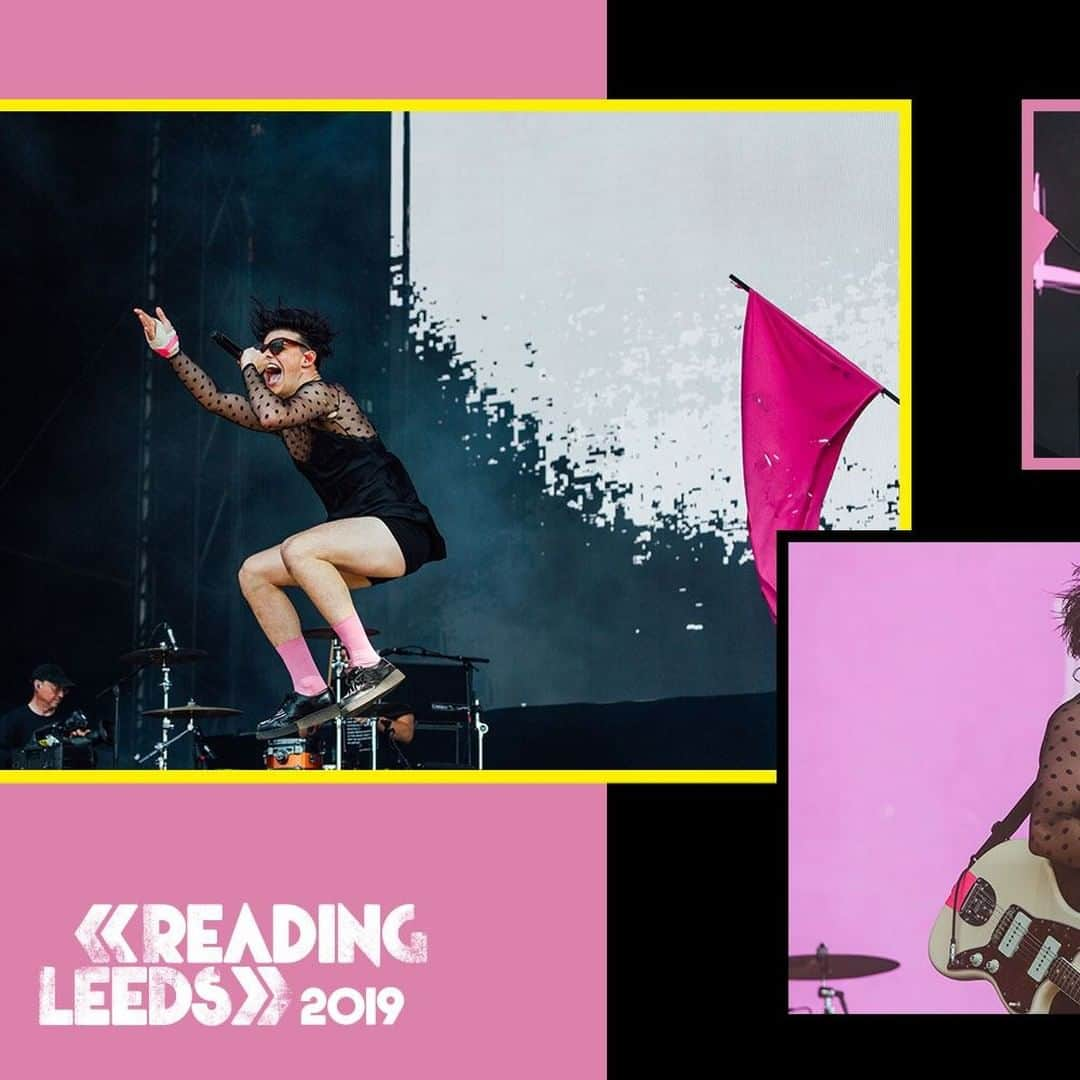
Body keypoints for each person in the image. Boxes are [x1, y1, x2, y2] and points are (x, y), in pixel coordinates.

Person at [134, 302, 447, 740]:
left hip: (396, 529)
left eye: (276, 348)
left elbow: (269, 414)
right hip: (353, 540)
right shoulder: (287, 418)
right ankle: (310, 688)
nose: (265, 356)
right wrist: (172, 352)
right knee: (255, 572)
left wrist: (248, 365)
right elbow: (216, 401)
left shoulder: (326, 394)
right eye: (262, 349)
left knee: (299, 547)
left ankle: (369, 666)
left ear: (307, 358)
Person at [0, 663, 82, 768]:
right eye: (56, 688)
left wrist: (80, 744)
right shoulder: (12, 721)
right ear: (38, 685)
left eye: (64, 690)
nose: (61, 695)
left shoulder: (65, 723)